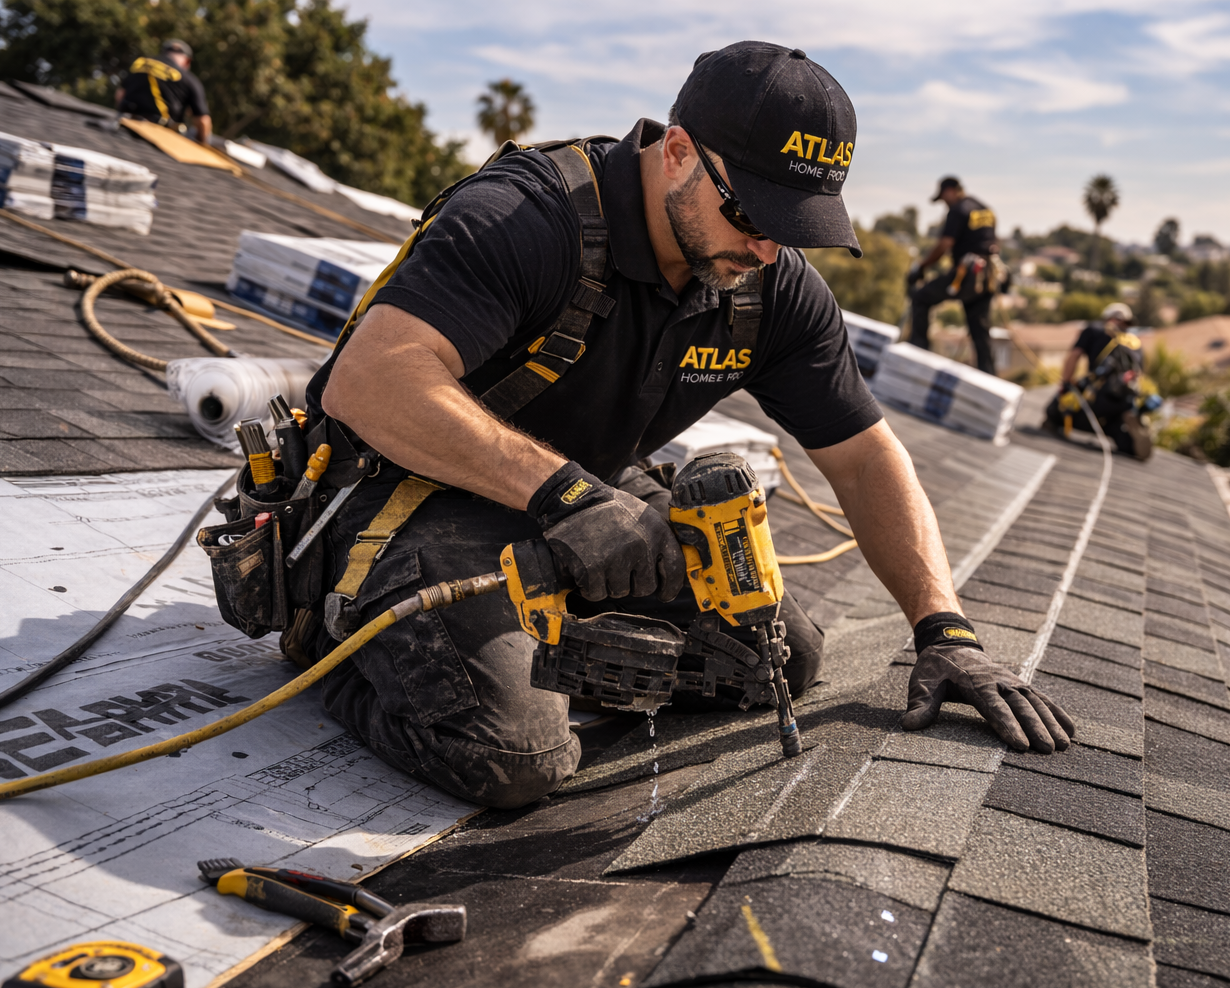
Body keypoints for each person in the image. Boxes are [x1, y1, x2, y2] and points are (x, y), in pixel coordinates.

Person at [302, 42, 1074, 810]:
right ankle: (334, 638)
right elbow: (371, 381)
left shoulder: (765, 286)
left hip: (579, 497)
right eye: (751, 214)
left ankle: (535, 630)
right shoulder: (529, 219)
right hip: (408, 489)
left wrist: (944, 630)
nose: (767, 249)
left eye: (792, 226)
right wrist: (567, 498)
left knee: (777, 662)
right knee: (514, 758)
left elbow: (867, 458)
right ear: (676, 154)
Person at [906, 176, 1001, 374]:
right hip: (988, 276)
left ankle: (918, 357)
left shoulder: (958, 210)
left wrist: (922, 266)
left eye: (943, 198)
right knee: (980, 330)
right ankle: (990, 376)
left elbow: (945, 244)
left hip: (967, 275)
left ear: (950, 191)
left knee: (921, 298)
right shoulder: (984, 209)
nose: (944, 203)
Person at [1044, 301, 1154, 459]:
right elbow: (1139, 375)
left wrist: (1066, 384)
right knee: (1117, 431)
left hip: (1099, 398)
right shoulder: (1135, 343)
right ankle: (1129, 442)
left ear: (1107, 318)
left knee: (1055, 411)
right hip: (1125, 402)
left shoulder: (1094, 330)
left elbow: (1074, 356)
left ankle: (1057, 421)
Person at [116, 40, 211, 144]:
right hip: (160, 135)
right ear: (187, 61)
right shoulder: (189, 79)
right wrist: (202, 145)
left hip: (126, 125)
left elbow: (120, 94)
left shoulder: (140, 63)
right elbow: (203, 121)